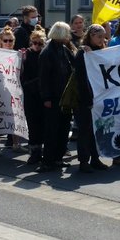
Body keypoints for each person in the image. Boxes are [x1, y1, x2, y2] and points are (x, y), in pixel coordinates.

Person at [37, 22, 75, 172]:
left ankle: (58, 158)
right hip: (53, 97)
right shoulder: (47, 52)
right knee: (52, 130)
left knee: (64, 129)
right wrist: (46, 98)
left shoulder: (64, 49)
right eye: (67, 33)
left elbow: (74, 63)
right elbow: (43, 77)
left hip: (65, 96)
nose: (69, 35)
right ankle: (47, 160)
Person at [73, 24, 109, 172]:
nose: (101, 40)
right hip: (85, 99)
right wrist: (87, 99)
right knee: (84, 131)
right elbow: (81, 79)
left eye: (103, 37)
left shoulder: (101, 51)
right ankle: (83, 161)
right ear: (91, 36)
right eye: (98, 36)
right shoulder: (82, 53)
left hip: (99, 98)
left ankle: (95, 158)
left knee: (96, 130)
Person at [20, 29, 47, 163]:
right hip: (30, 94)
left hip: (43, 95)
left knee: (43, 124)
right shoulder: (26, 55)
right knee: (32, 124)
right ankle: (34, 151)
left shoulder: (45, 54)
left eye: (40, 43)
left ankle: (42, 150)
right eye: (34, 43)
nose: (37, 46)